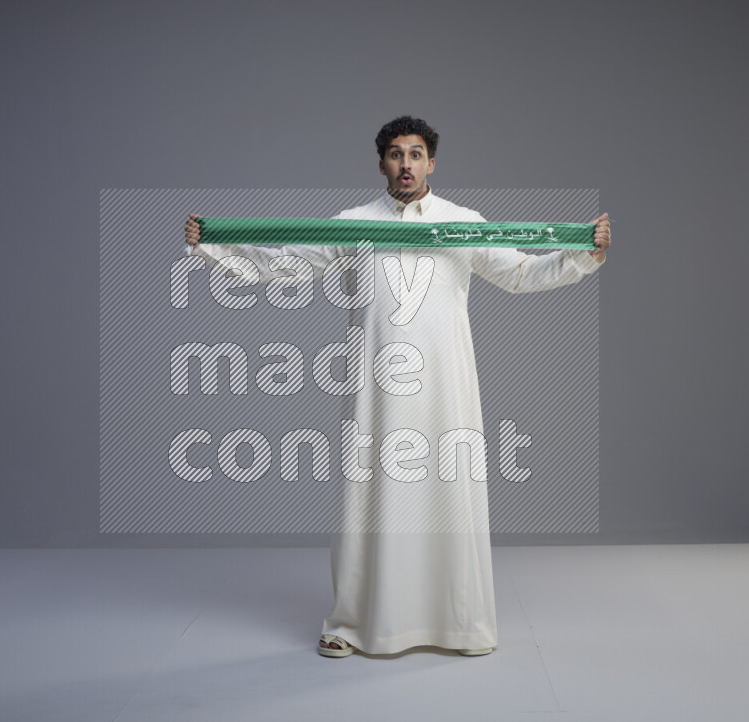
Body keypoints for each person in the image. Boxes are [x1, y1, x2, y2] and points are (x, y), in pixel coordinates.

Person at [184, 115, 610, 658]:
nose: (405, 164)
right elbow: (288, 265)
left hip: (445, 386)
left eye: (415, 154)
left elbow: (521, 274)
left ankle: (458, 624)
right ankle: (354, 623)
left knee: (445, 495)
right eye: (394, 153)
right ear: (381, 162)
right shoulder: (354, 223)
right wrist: (214, 246)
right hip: (375, 385)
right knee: (368, 497)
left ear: (431, 163)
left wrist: (583, 252)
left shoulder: (464, 223)